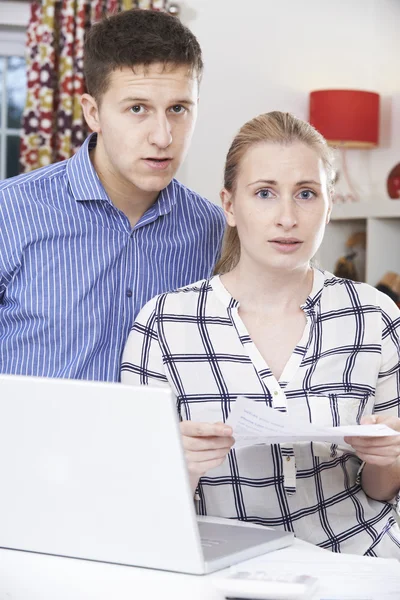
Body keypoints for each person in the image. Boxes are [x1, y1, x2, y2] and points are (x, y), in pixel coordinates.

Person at [121, 111, 400, 557]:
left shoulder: (374, 315)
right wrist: (180, 466)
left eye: (306, 194)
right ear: (230, 206)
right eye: (265, 194)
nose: (287, 217)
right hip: (218, 564)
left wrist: (387, 459)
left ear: (330, 205)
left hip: (354, 557)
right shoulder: (163, 325)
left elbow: (381, 491)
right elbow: (139, 500)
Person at [0, 9, 225, 381]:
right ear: (93, 112)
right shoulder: (10, 211)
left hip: (163, 440)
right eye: (138, 108)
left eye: (178, 109)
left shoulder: (212, 230)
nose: (163, 137)